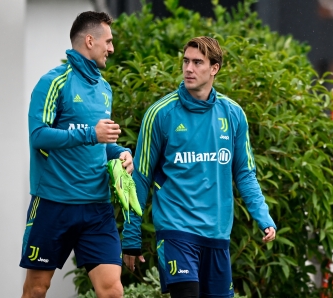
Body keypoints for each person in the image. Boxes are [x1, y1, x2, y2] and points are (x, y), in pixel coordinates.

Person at [121, 36, 277, 298]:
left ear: (214, 68)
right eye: (185, 61)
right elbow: (140, 178)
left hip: (217, 236)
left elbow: (245, 174)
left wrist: (263, 216)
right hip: (176, 231)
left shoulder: (233, 113)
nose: (189, 69)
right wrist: (131, 235)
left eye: (197, 62)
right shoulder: (160, 113)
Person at [20, 11, 132, 298]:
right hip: (54, 204)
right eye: (108, 41)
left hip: (97, 207)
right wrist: (90, 134)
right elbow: (38, 136)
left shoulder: (105, 89)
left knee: (112, 291)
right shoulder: (53, 82)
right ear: (90, 40)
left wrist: (119, 153)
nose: (111, 48)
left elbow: (100, 142)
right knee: (36, 289)